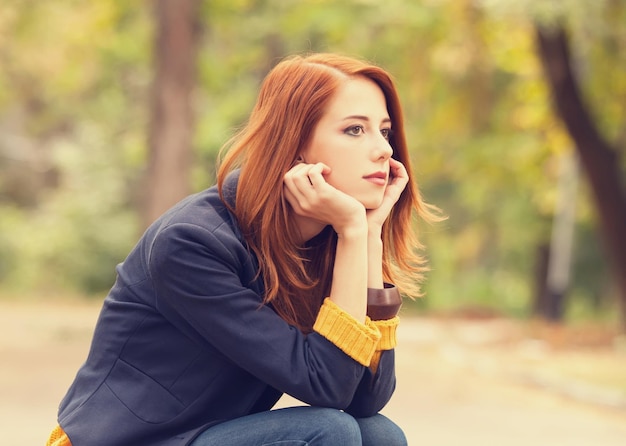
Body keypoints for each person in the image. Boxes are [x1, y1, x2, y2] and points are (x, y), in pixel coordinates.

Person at [47, 52, 438, 446]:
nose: (384, 151)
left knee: (378, 435)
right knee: (327, 433)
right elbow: (328, 387)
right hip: (124, 441)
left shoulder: (329, 240)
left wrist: (367, 238)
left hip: (208, 436)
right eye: (355, 130)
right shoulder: (191, 243)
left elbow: (365, 398)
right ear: (296, 144)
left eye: (384, 132)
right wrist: (354, 231)